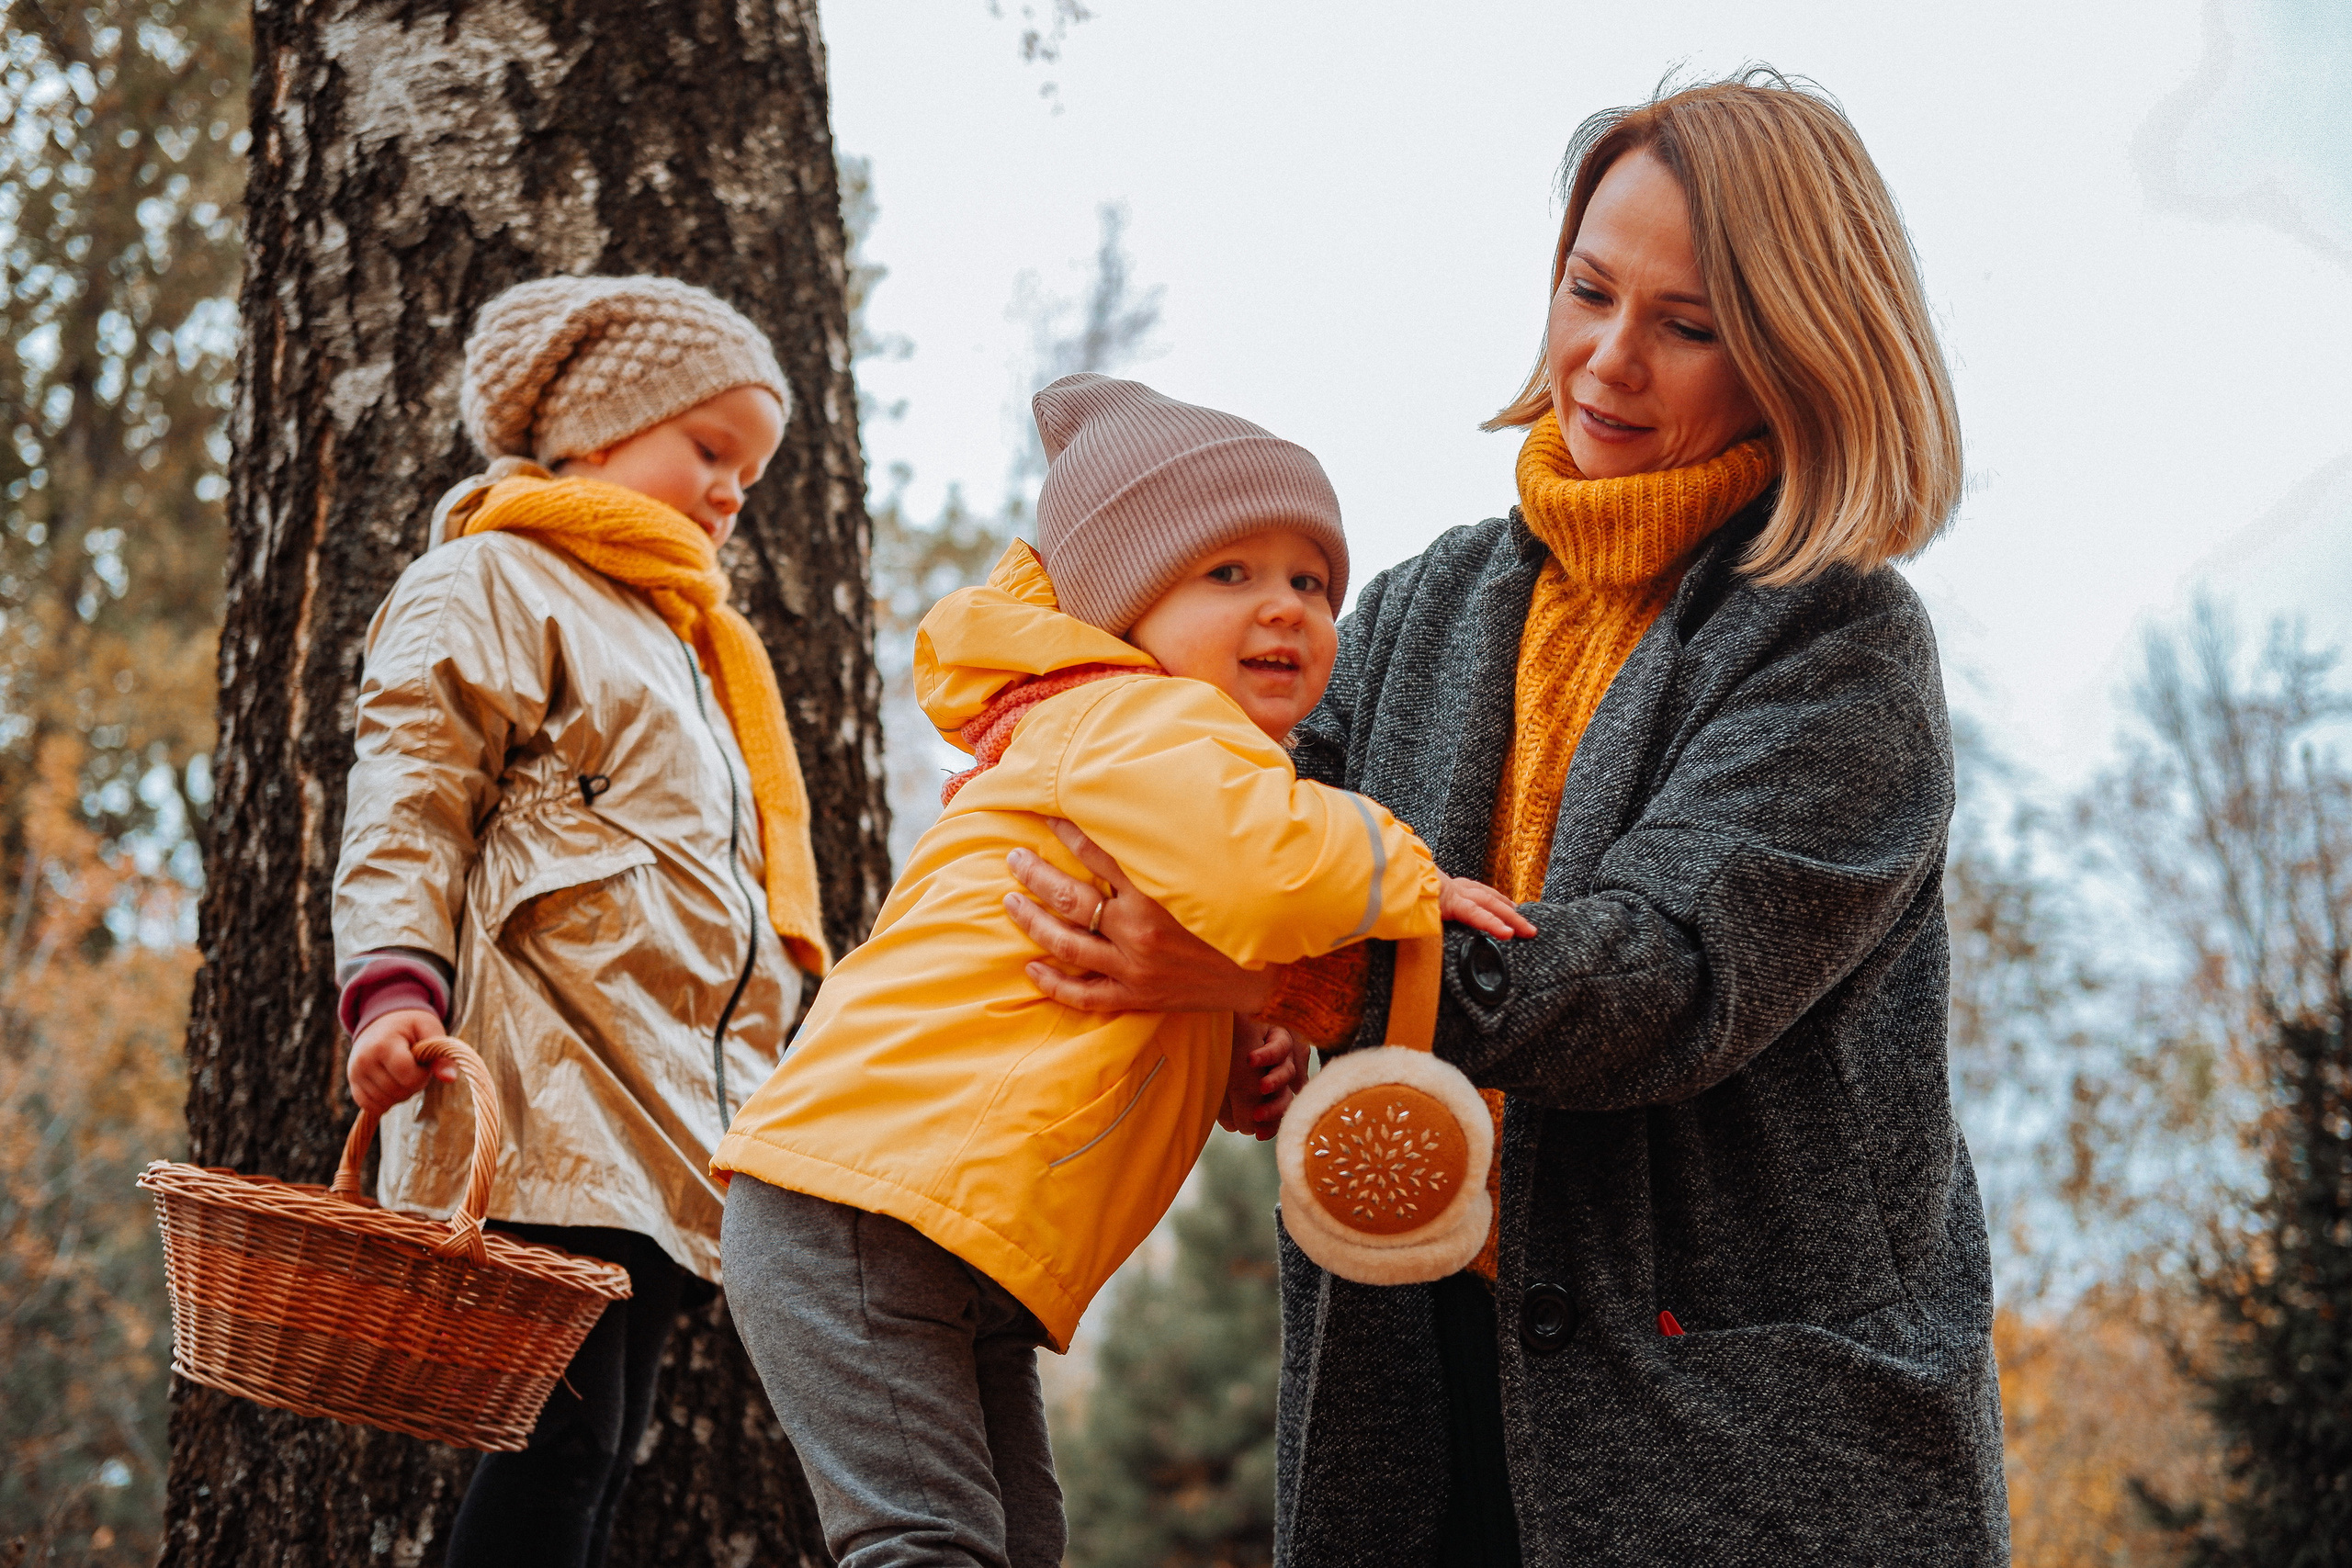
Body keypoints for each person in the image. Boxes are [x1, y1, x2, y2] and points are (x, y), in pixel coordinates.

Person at [1001, 73, 2010, 1564]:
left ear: (1799, 350)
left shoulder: (1840, 644)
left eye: (1688, 324)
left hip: (1740, 1447)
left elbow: (1656, 981)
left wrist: (1280, 977)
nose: (1607, 359)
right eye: (1589, 290)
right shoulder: (1425, 605)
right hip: (1411, 1403)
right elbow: (1237, 831)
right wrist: (1221, 1017)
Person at [714, 374, 1530, 1568]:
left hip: (951, 1233)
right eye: (1229, 575)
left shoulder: (1139, 754)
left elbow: (1098, 996)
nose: (1287, 610)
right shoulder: (1142, 722)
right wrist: (1407, 866)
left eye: (1311, 581)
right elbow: (1268, 870)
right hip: (867, 1205)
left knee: (1011, 1544)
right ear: (1125, 607)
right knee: (925, 1544)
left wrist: (1232, 1063)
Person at [333, 275, 828, 1567]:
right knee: (556, 1456)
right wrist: (394, 984)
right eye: (709, 450)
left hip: (669, 1111)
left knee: (598, 1459)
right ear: (601, 431)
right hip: (546, 1080)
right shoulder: (496, 578)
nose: (732, 490)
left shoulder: (691, 641)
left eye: (753, 472)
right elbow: (412, 794)